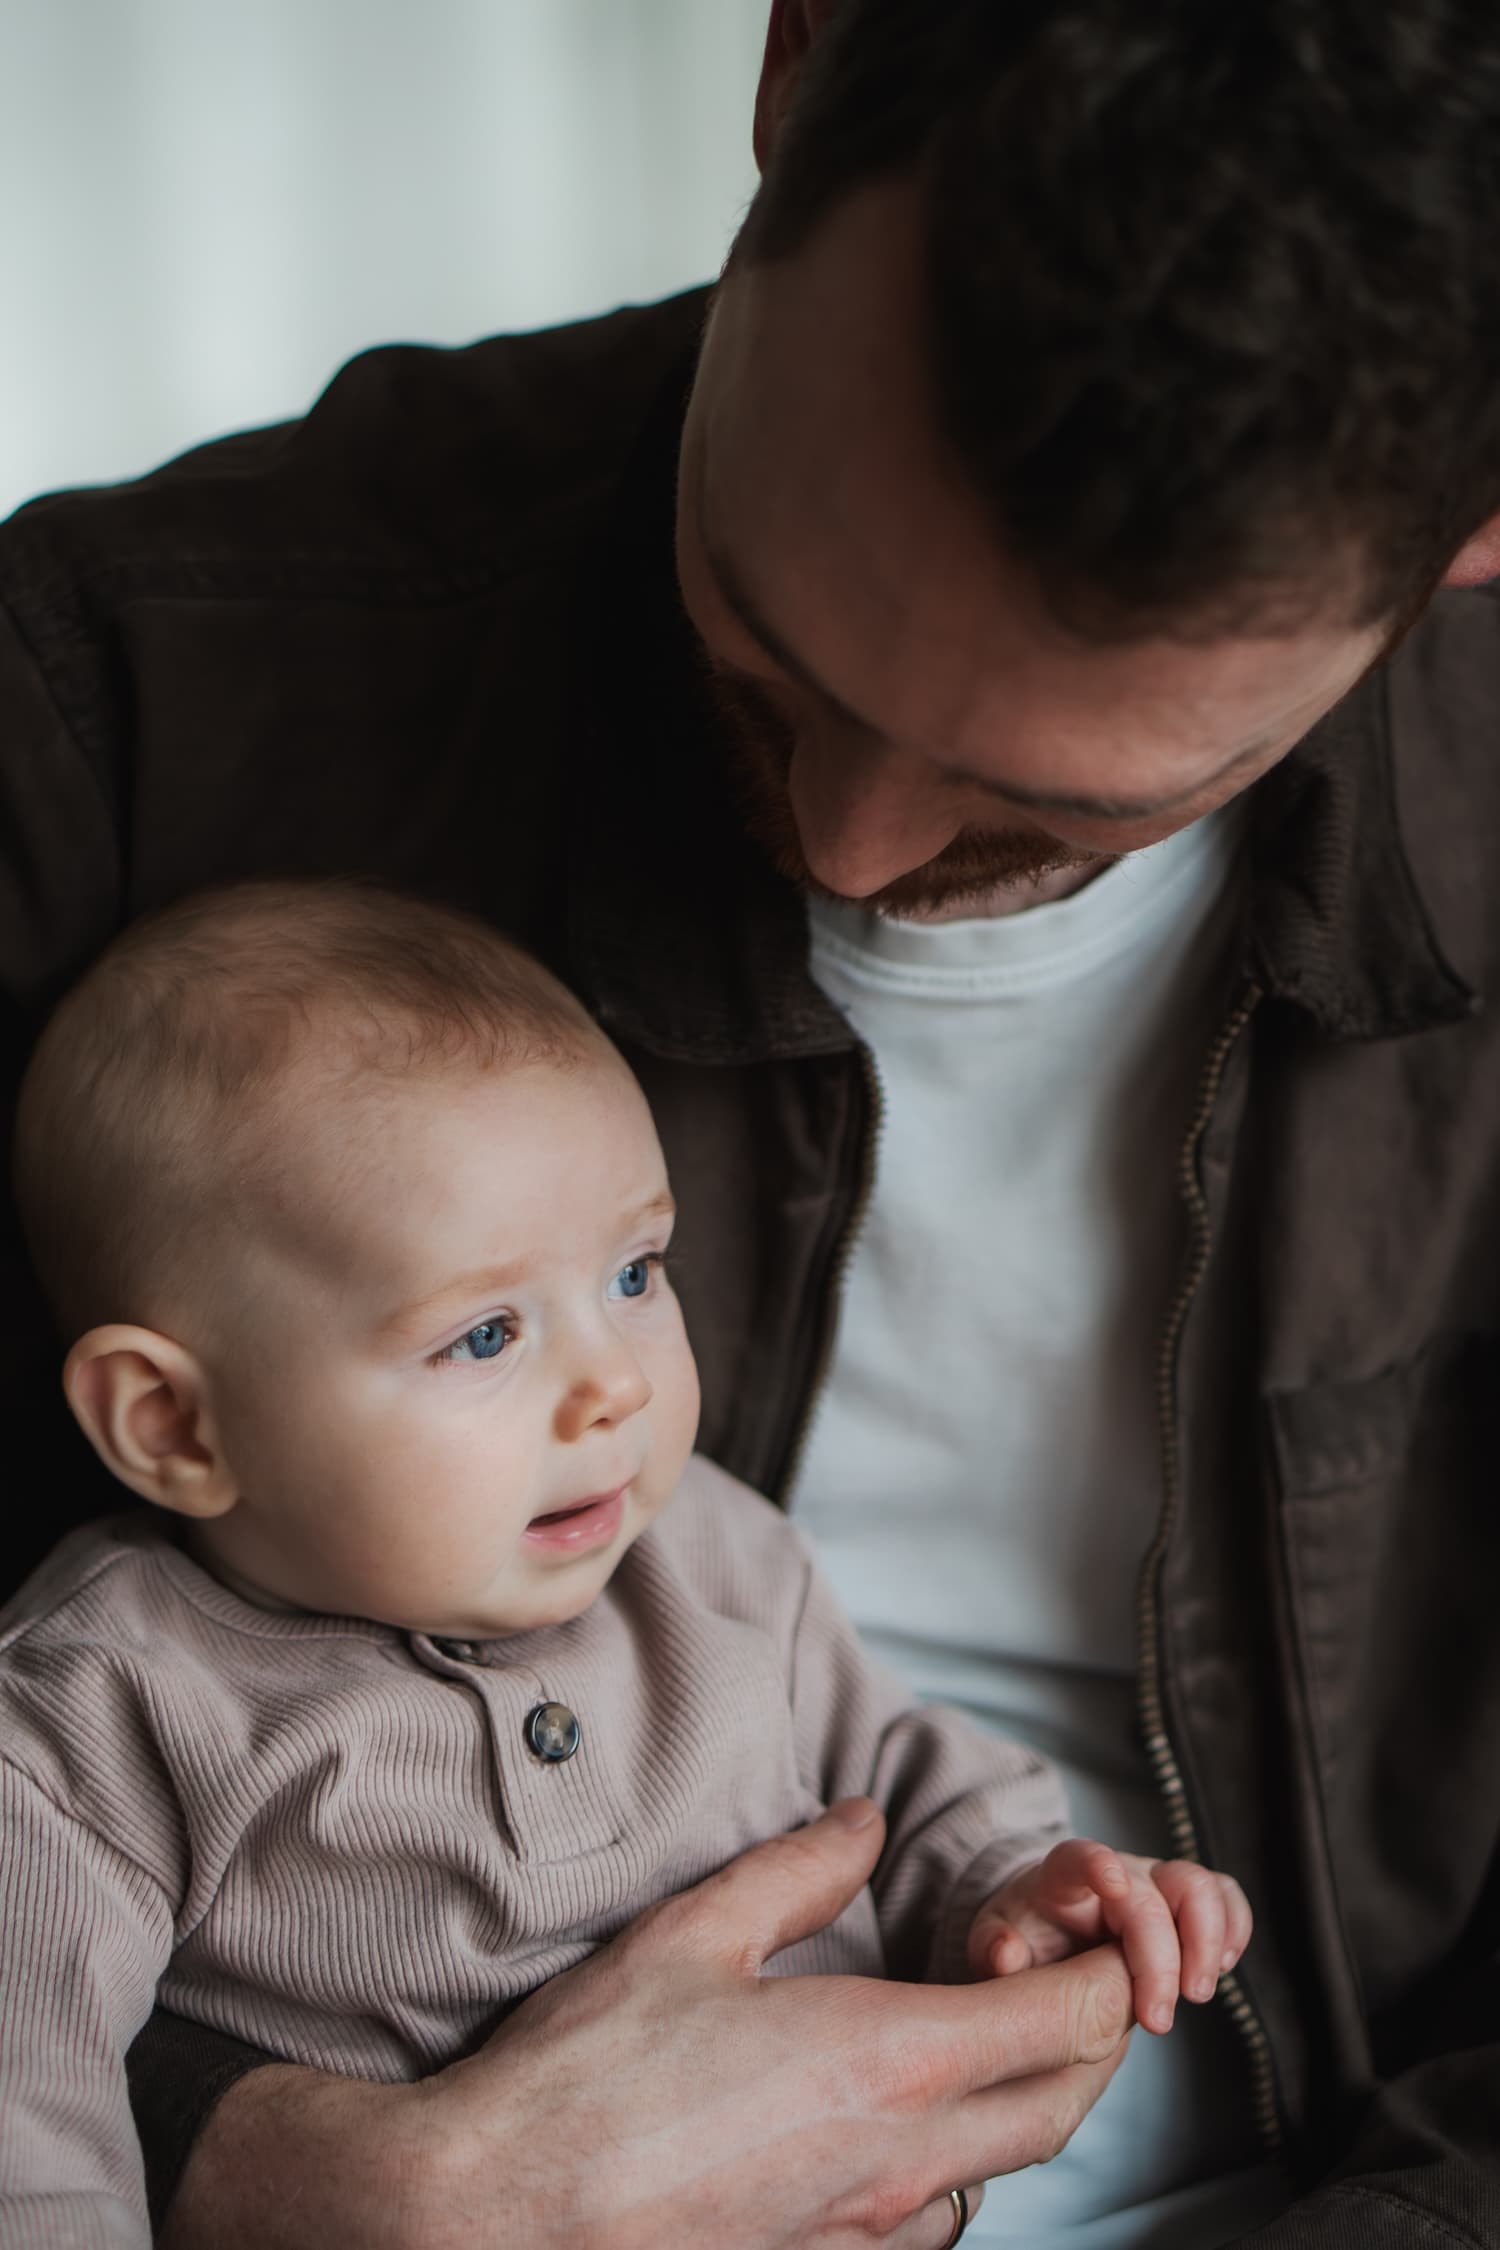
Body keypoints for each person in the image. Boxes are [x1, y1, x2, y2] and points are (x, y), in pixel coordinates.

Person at [1, 0, 1497, 2244]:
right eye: (765, 640)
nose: (848, 848)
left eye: (1054, 797)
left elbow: (922, 1778)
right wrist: (270, 2163)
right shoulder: (110, 702)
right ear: (796, 64)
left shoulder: (724, 1572)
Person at [0, 878, 1254, 2249]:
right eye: (485, 1334)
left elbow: (902, 1783)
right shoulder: (93, 1717)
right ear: (173, 1424)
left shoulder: (708, 1552)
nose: (616, 1385)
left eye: (636, 1273)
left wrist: (1015, 1895)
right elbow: (32, 2136)